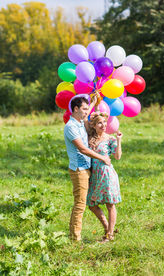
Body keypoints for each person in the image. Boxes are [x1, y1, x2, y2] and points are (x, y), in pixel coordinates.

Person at [64, 95, 111, 241]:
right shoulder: (71, 127)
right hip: (79, 170)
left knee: (91, 202)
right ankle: (74, 238)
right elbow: (82, 149)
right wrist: (102, 157)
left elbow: (87, 115)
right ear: (76, 109)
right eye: (84, 109)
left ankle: (109, 230)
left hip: (88, 167)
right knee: (80, 204)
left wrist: (94, 102)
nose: (86, 112)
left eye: (86, 109)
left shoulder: (80, 122)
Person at [87, 111, 123, 242]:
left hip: (107, 174)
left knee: (110, 204)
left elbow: (117, 157)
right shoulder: (89, 137)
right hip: (94, 175)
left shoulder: (110, 139)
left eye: (104, 122)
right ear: (94, 125)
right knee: (91, 204)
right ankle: (108, 228)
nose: (103, 125)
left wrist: (119, 141)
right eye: (99, 123)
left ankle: (109, 234)